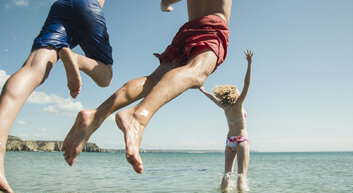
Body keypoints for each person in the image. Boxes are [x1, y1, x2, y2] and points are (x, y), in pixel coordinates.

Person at [62, 0, 232, 174]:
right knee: (198, 71)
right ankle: (138, 116)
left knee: (154, 80)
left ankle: (95, 116)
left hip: (190, 28)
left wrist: (165, 5)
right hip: (214, 25)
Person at [0, 0, 113, 193]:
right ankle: (75, 58)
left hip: (62, 4)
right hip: (89, 6)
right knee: (106, 76)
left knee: (33, 68)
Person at [199, 50, 253, 191]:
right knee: (242, 175)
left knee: (227, 174)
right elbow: (247, 83)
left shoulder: (225, 107)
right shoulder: (239, 104)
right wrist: (249, 64)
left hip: (229, 141)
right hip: (241, 141)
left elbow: (212, 98)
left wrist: (202, 90)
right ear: (235, 95)